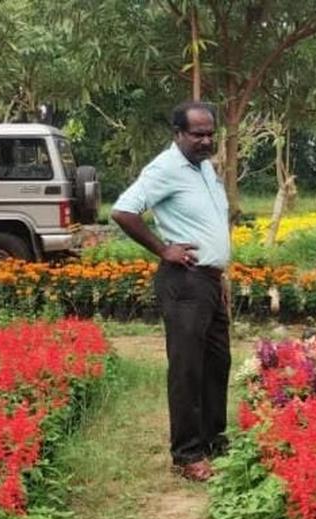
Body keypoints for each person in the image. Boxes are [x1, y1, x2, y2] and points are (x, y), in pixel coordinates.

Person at [110, 101, 231, 482]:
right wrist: (163, 249)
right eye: (197, 134)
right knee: (187, 369)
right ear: (178, 133)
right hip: (185, 282)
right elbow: (123, 211)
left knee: (217, 363)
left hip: (209, 280)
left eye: (210, 133)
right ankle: (187, 454)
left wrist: (219, 276)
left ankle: (213, 440)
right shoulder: (165, 168)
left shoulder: (205, 168)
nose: (206, 141)